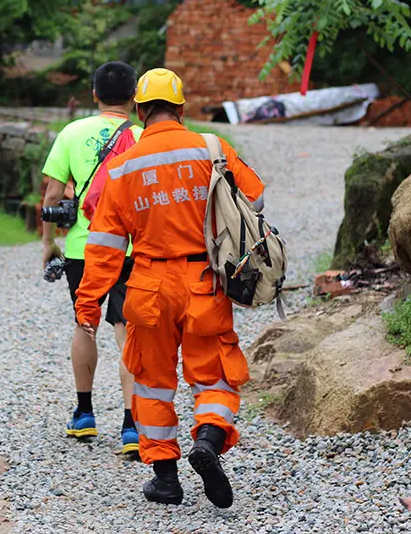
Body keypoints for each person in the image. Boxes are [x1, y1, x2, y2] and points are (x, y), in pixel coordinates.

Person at [74, 68, 265, 508]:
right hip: (204, 282)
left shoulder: (121, 167)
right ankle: (209, 442)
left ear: (140, 111)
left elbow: (103, 246)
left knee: (152, 383)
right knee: (214, 374)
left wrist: (88, 305)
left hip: (148, 286)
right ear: (181, 108)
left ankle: (166, 479)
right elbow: (254, 199)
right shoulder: (212, 148)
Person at [41, 61, 143, 456]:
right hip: (132, 249)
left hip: (85, 248)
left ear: (94, 93)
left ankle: (84, 415)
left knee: (86, 324)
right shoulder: (142, 136)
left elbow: (52, 196)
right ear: (135, 98)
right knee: (128, 332)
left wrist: (49, 243)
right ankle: (132, 426)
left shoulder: (71, 132)